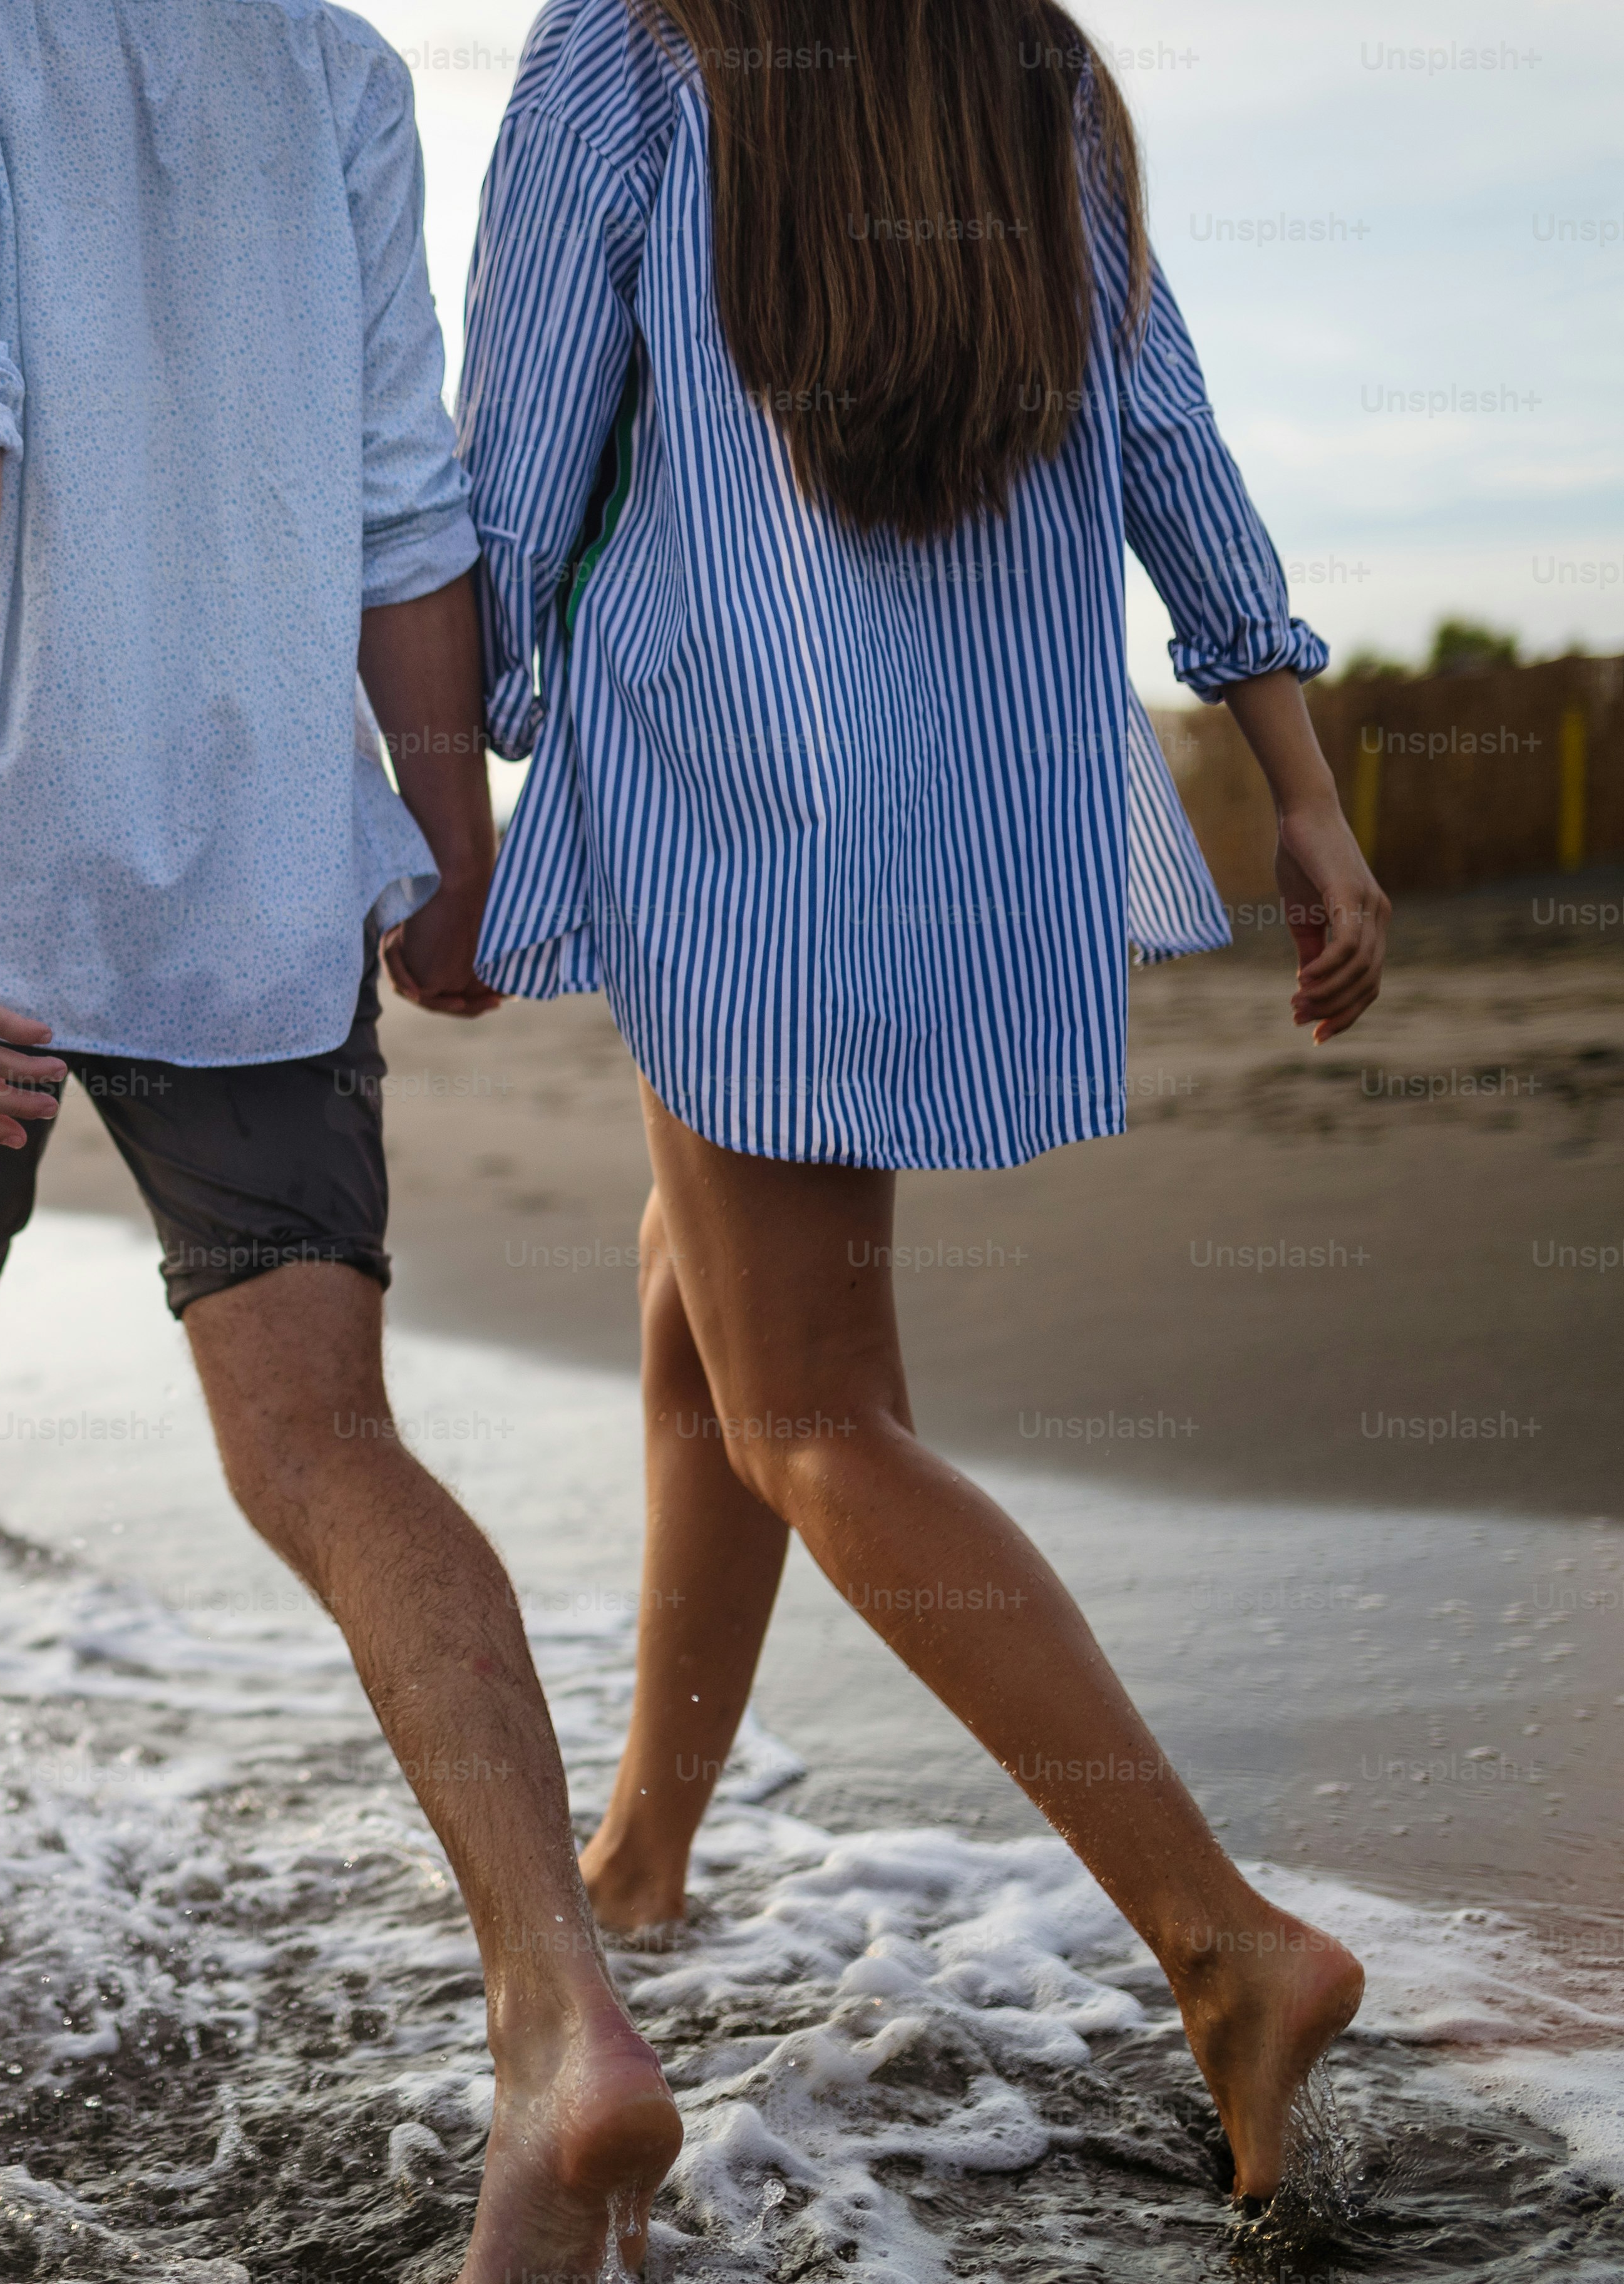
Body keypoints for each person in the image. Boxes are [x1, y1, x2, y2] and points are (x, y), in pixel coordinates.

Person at [0, 7, 684, 2276]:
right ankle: (557, 2009)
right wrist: (445, 830)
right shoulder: (327, 64)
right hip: (259, 836)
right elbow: (402, 491)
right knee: (324, 1442)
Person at [450, 0, 1387, 2214]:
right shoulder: (1023, 61)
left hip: (737, 791)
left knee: (814, 1407)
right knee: (699, 1281)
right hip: (971, 809)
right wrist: (1303, 786)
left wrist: (442, 778)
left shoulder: (637, 46)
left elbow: (509, 461)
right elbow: (1167, 431)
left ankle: (1223, 1938)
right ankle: (647, 1849)